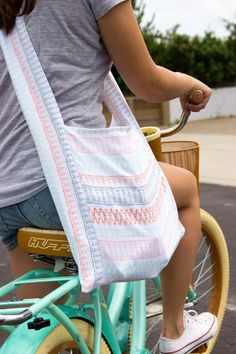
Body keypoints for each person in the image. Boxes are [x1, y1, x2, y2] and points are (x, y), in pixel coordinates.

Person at [0, 1, 218, 353]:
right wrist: (189, 83)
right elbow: (146, 81)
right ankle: (177, 329)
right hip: (64, 187)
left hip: (7, 196)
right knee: (186, 189)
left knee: (41, 323)